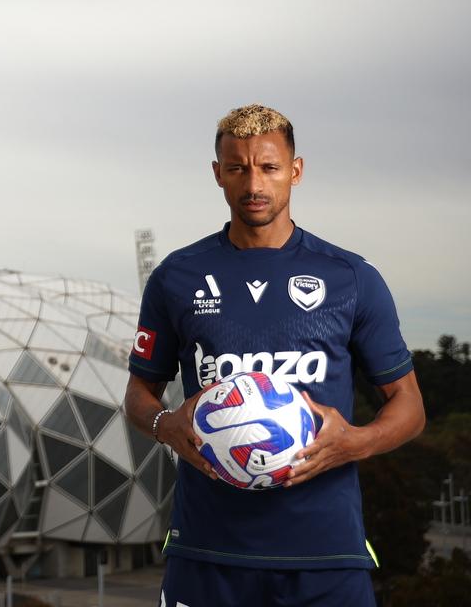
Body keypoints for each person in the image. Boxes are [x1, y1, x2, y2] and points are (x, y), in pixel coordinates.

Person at [123, 104, 425, 607]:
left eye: (269, 167)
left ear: (296, 171)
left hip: (325, 556)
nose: (253, 184)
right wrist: (164, 425)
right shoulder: (177, 277)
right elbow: (139, 392)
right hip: (207, 551)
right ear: (218, 173)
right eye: (237, 168)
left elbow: (409, 405)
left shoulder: (350, 278)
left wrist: (356, 442)